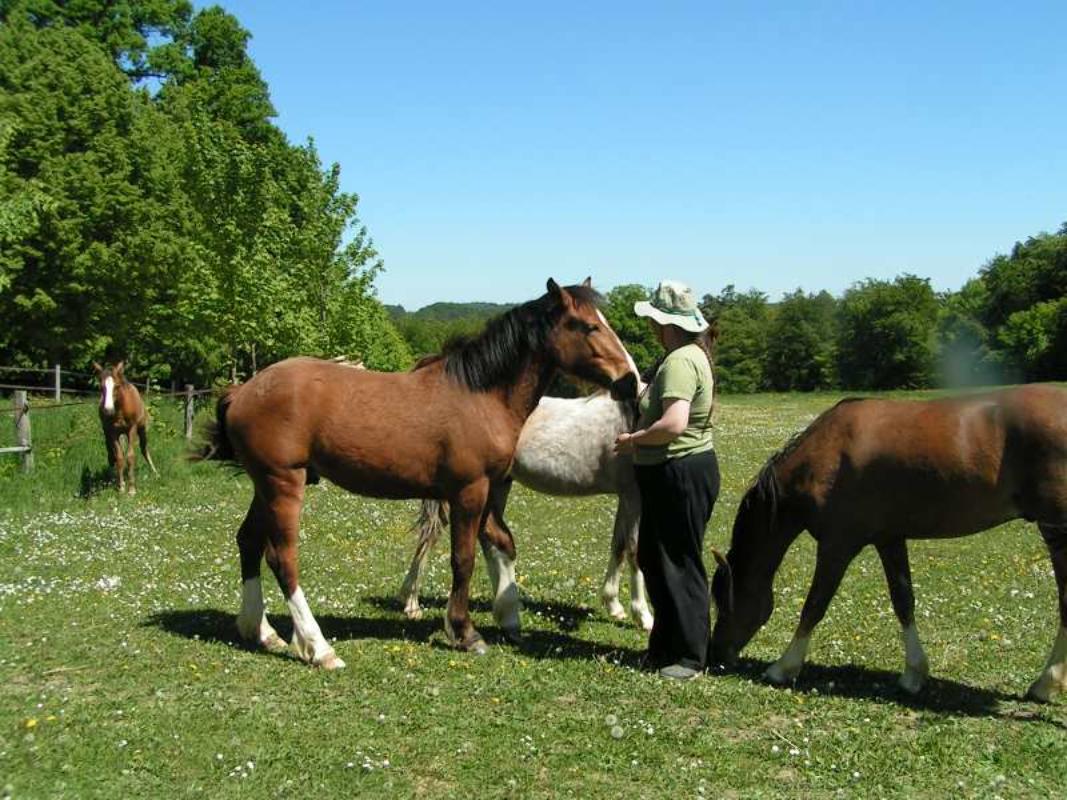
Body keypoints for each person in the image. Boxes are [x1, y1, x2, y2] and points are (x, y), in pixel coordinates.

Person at [614, 280, 720, 680]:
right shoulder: (682, 357)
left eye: (654, 320)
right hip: (672, 471)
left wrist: (633, 440)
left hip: (678, 471)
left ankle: (691, 657)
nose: (651, 327)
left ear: (665, 323)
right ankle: (664, 648)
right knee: (655, 559)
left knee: (679, 562)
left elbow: (674, 423)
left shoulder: (679, 361)